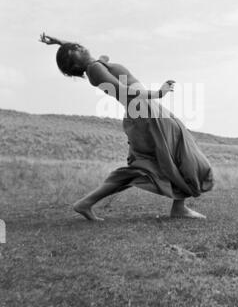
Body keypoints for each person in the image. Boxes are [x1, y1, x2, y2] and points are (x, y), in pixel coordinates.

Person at [40, 32, 214, 221]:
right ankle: (178, 208)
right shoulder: (95, 69)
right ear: (75, 65)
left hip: (146, 112)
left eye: (77, 45)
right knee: (178, 156)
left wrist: (59, 43)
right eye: (75, 50)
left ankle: (86, 203)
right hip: (144, 113)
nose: (79, 47)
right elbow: (122, 89)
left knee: (163, 159)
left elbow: (87, 55)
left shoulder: (96, 64)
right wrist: (157, 93)